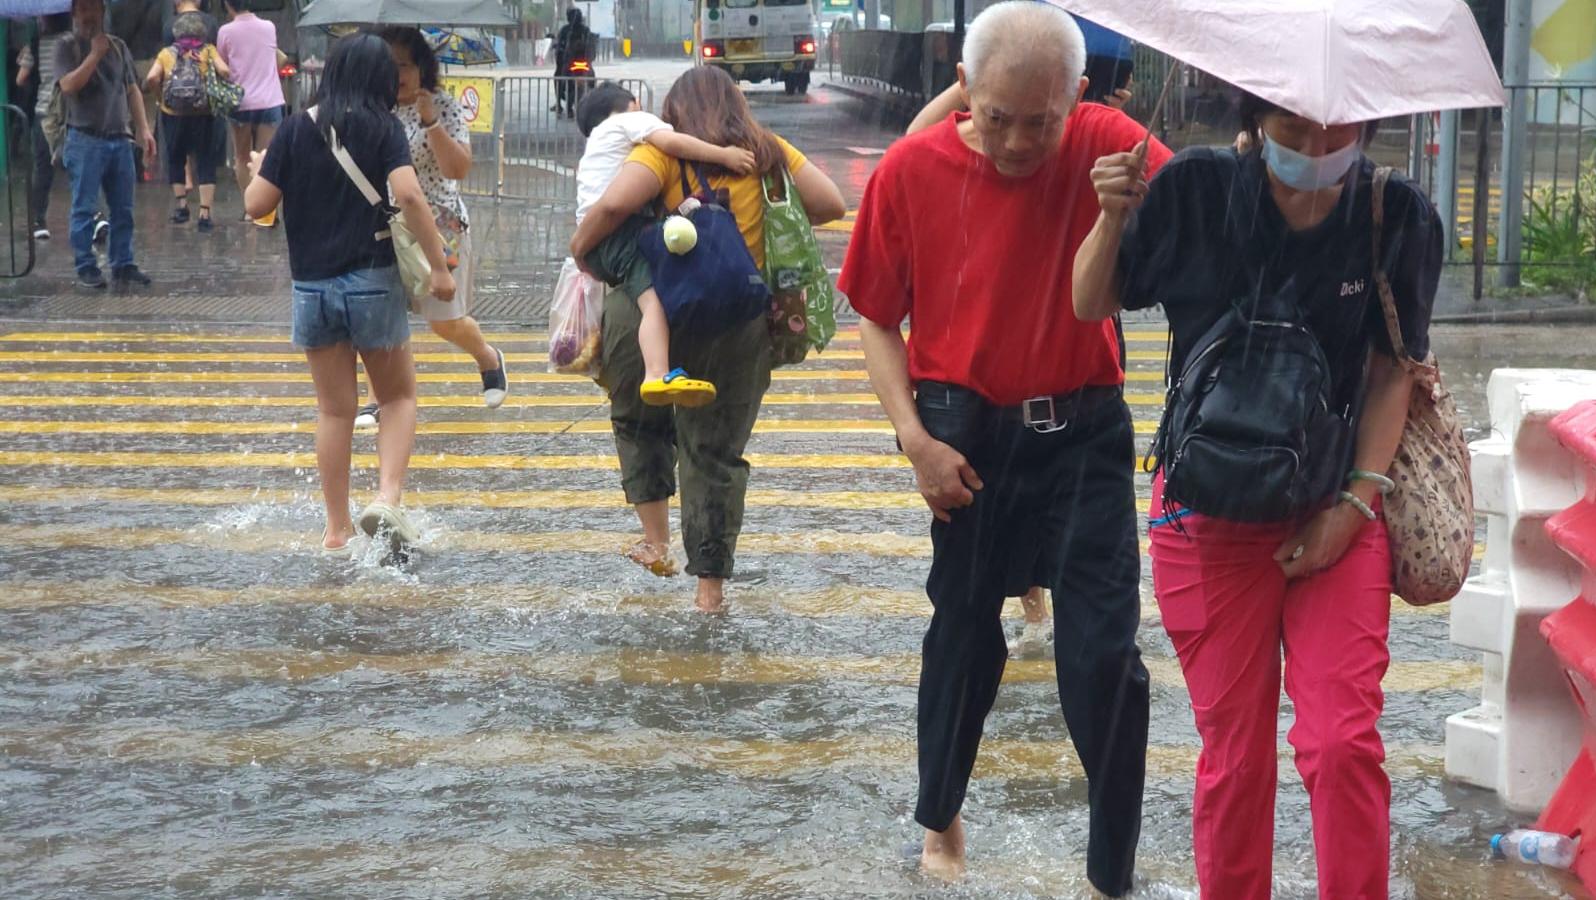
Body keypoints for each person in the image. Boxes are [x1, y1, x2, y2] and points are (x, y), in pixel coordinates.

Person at [1072, 91, 1443, 898]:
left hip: (1336, 503)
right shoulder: (1196, 192)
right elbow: (1090, 302)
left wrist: (1353, 510)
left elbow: (1391, 373)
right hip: (1204, 515)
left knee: (1341, 741)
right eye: (1292, 127)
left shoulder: (1394, 213)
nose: (1316, 144)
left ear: (1368, 126)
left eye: (1339, 127)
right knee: (1235, 756)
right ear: (1253, 125)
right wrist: (1107, 219)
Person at [840, 2, 1170, 891]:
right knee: (962, 634)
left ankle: (1112, 869)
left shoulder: (1107, 141)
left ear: (1079, 98)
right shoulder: (912, 169)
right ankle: (941, 820)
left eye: (1041, 122)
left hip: (1086, 427)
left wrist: (1132, 205)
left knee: (1103, 653)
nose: (1020, 142)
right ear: (964, 88)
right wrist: (915, 440)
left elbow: (1195, 220)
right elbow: (874, 315)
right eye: (997, 119)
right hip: (967, 431)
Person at [570, 66, 844, 612]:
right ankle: (708, 591)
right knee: (714, 452)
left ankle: (656, 539)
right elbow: (832, 204)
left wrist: (582, 251)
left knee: (638, 420)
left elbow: (612, 206)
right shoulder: (767, 152)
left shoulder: (663, 153)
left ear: (675, 112)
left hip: (663, 316)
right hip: (740, 324)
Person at [245, 32, 456, 557]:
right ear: (380, 79)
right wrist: (439, 266)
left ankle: (335, 530)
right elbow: (407, 193)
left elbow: (255, 205)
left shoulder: (294, 129)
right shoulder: (382, 127)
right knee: (398, 397)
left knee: (335, 412)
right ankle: (386, 498)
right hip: (370, 282)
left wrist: (257, 170)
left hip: (311, 289)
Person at [352, 27, 507, 428]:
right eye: (388, 64)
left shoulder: (444, 106)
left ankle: (488, 358)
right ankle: (375, 397)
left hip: (439, 224)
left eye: (404, 64)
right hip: (386, 224)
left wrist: (431, 122)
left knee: (444, 321)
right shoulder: (372, 109)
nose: (397, 73)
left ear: (423, 67)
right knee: (380, 314)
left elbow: (458, 169)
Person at [572, 81, 757, 408]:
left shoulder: (598, 144)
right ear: (627, 106)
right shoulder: (629, 122)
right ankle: (656, 373)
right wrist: (723, 155)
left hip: (599, 240)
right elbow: (672, 142)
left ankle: (631, 371)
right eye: (638, 104)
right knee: (653, 302)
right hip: (616, 234)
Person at [56, 0, 157, 291]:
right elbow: (68, 86)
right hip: (84, 139)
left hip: (119, 139)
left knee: (123, 208)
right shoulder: (67, 46)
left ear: (103, 11)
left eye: (94, 8)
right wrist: (94, 56)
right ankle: (86, 265)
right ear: (75, 12)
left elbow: (132, 89)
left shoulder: (118, 46)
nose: (89, 15)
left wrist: (144, 129)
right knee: (84, 207)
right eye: (83, 9)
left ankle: (123, 263)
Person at [144, 11, 230, 232]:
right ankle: (204, 213)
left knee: (175, 158)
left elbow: (152, 78)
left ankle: (182, 207)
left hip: (173, 114)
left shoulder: (166, 53)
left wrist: (160, 96)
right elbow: (225, 71)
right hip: (203, 114)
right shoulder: (208, 50)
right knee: (205, 161)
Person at [219, 0, 285, 221]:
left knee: (241, 156)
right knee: (266, 156)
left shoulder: (225, 31)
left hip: (240, 102)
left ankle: (250, 209)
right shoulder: (269, 26)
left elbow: (223, 67)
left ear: (228, 5)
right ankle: (267, 210)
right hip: (269, 99)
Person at [16, 14, 72, 241]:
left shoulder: (37, 44)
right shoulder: (73, 41)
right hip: (71, 112)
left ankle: (38, 220)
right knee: (78, 165)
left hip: (44, 110)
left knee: (43, 168)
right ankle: (95, 217)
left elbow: (21, 79)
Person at [551, 7, 591, 119]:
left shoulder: (566, 30)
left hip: (572, 63)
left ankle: (559, 104)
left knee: (559, 77)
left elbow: (560, 46)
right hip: (582, 63)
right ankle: (559, 103)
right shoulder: (584, 30)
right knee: (559, 76)